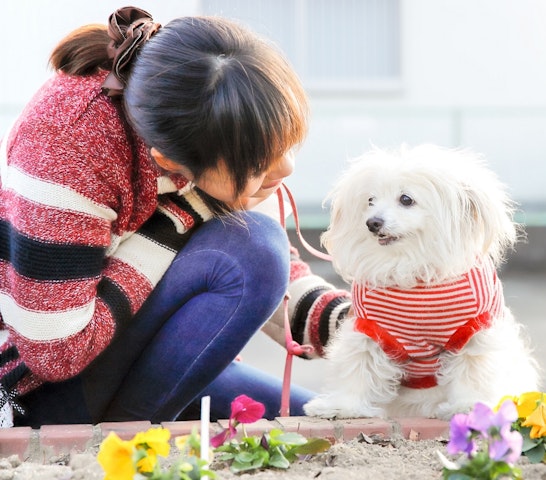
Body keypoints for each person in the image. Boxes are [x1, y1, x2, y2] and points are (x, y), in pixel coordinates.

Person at [0, 6, 350, 428]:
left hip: (129, 357)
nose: (285, 169)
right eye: (258, 164)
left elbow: (266, 277)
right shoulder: (68, 147)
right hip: (31, 392)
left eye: (286, 144)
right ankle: (123, 451)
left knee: (320, 419)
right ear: (169, 160)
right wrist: (183, 218)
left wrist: (363, 330)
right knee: (254, 245)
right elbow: (55, 352)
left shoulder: (185, 106)